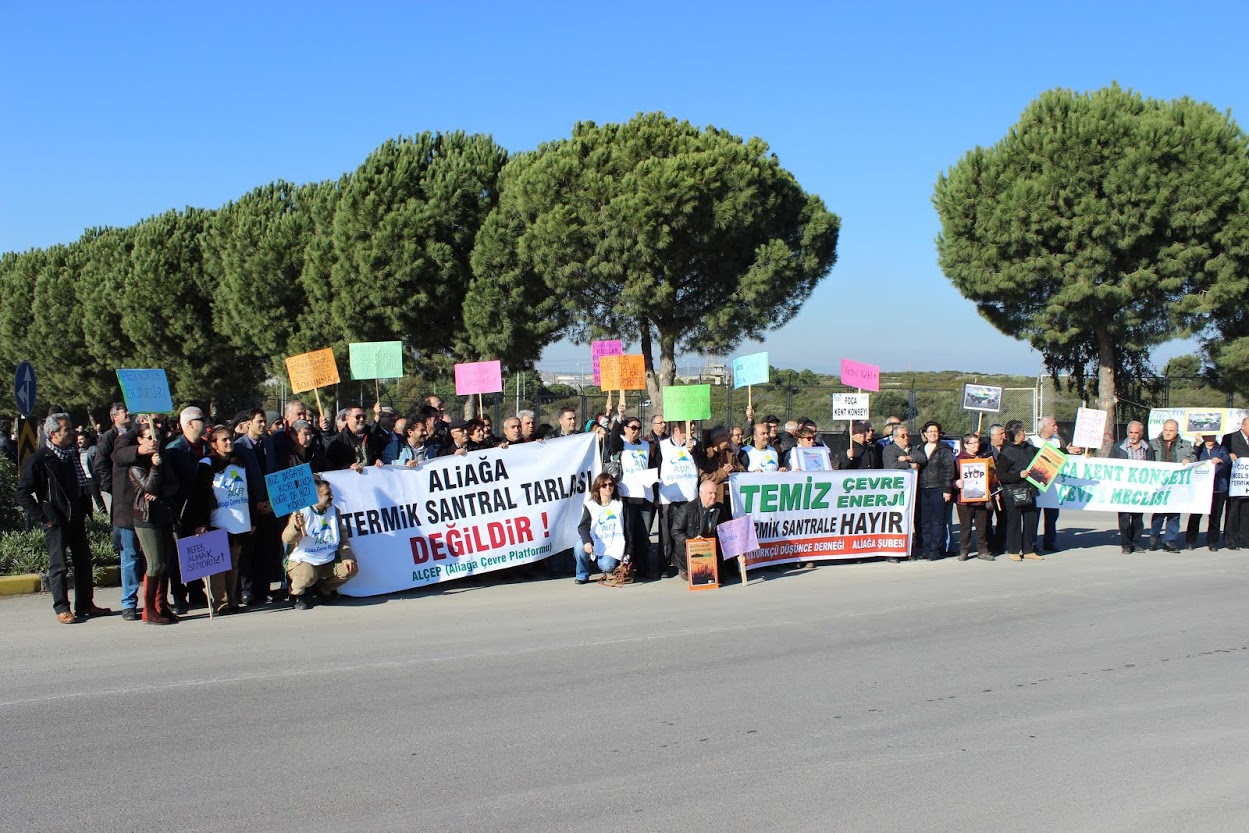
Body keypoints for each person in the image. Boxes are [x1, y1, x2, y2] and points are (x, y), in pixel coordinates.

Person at [16, 413, 111, 624]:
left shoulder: (71, 454)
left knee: (84, 562)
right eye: (67, 429)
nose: (72, 433)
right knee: (59, 566)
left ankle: (85, 604)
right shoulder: (40, 459)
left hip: (75, 517)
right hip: (56, 521)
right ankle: (62, 608)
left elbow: (80, 485)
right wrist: (43, 517)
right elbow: (22, 493)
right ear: (53, 434)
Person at [189, 426, 256, 614]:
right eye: (224, 440)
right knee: (219, 565)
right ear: (213, 444)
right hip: (216, 521)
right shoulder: (206, 464)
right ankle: (221, 601)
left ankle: (233, 599)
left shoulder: (240, 464)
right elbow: (200, 497)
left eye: (230, 439)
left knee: (234, 564)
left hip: (238, 521)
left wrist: (252, 519)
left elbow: (248, 492)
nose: (229, 442)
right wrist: (201, 523)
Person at [128, 422, 182, 624]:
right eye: (149, 437)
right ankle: (148, 610)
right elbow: (149, 487)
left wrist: (159, 493)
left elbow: (173, 486)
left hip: (163, 515)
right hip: (146, 518)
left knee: (165, 564)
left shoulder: (164, 458)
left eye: (156, 437)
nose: (154, 441)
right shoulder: (136, 464)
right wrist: (155, 466)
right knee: (155, 563)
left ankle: (161, 605)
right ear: (140, 441)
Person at [281, 479, 359, 609]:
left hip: (327, 557)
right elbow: (287, 539)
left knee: (350, 569)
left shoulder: (334, 511)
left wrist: (347, 557)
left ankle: (323, 589)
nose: (331, 497)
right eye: (327, 494)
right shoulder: (302, 512)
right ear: (316, 496)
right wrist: (295, 527)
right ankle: (295, 593)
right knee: (307, 576)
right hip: (303, 558)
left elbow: (343, 538)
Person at [608, 417, 660, 579]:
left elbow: (651, 468)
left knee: (643, 535)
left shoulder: (645, 445)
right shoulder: (622, 444)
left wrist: (655, 493)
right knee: (628, 535)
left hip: (645, 496)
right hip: (627, 496)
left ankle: (644, 569)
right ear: (625, 428)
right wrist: (618, 418)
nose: (636, 431)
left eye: (638, 428)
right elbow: (613, 440)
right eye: (633, 427)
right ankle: (626, 567)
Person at [1029, 416, 1081, 552]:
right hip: (1037, 484)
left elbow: (1064, 458)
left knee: (1052, 515)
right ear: (1045, 428)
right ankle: (1031, 543)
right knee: (1034, 516)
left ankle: (1050, 541)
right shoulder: (1032, 441)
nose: (1056, 427)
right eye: (1053, 425)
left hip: (1053, 485)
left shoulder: (1057, 441)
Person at [657, 422, 701, 577]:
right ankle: (664, 565)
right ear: (677, 429)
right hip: (668, 497)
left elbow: (702, 464)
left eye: (694, 425)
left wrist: (694, 451)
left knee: (687, 532)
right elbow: (656, 467)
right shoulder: (662, 446)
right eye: (689, 426)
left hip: (689, 497)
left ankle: (685, 565)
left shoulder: (696, 444)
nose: (693, 428)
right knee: (667, 535)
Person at [996, 420, 1042, 561]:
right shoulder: (1006, 452)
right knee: (1014, 522)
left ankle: (1028, 549)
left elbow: (1044, 454)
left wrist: (1067, 451)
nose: (1025, 433)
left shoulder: (1028, 447)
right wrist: (1018, 475)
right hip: (1012, 492)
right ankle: (1013, 550)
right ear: (1016, 435)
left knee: (1031, 520)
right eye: (1022, 430)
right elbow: (1000, 475)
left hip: (1029, 490)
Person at [1147, 419, 1195, 552]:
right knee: (1159, 513)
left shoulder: (1185, 445)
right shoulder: (1152, 443)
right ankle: (1154, 537)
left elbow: (1194, 459)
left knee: (1174, 514)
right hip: (1159, 483)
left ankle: (1169, 541)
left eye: (1171, 431)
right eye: (1165, 430)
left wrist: (1189, 460)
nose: (1167, 433)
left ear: (1176, 431)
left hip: (1177, 484)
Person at [575, 473, 630, 584]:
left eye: (610, 484)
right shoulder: (590, 505)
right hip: (595, 540)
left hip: (612, 543)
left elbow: (628, 530)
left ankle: (607, 571)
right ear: (598, 487)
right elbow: (583, 527)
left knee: (607, 565)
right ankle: (582, 575)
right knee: (579, 547)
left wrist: (628, 552)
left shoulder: (620, 505)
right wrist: (587, 541)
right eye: (604, 485)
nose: (608, 487)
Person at [672, 479, 730, 581]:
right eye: (710, 493)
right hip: (690, 551)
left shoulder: (720, 508)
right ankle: (685, 569)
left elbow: (727, 529)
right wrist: (691, 542)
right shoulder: (686, 509)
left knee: (721, 578)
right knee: (697, 577)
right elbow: (676, 531)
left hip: (711, 550)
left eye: (715, 493)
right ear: (701, 493)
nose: (714, 496)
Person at [1109, 421, 1153, 553]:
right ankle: (1126, 544)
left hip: (1140, 489)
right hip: (1124, 488)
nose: (1133, 436)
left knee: (1138, 518)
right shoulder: (1118, 447)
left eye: (1136, 433)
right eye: (1130, 433)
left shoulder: (1147, 448)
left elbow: (1154, 466)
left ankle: (1136, 542)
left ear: (1141, 434)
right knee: (1124, 518)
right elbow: (1110, 466)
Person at [915, 421, 954, 561]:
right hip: (923, 489)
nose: (933, 434)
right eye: (930, 431)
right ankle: (926, 549)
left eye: (935, 431)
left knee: (937, 521)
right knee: (925, 521)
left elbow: (950, 470)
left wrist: (947, 489)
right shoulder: (919, 448)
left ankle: (935, 550)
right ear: (925, 433)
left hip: (938, 488)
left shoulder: (944, 449)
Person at [953, 433, 995, 561]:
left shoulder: (983, 459)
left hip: (980, 499)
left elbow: (992, 477)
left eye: (978, 442)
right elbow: (950, 478)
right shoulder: (958, 460)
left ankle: (982, 550)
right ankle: (964, 550)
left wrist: (990, 489)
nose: (977, 445)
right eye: (973, 443)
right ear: (966, 445)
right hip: (964, 500)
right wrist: (956, 483)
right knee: (965, 527)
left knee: (981, 526)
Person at [1187, 433, 1231, 551]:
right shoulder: (1199, 448)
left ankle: (1212, 542)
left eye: (1212, 436)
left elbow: (1227, 458)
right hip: (1200, 488)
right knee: (1196, 515)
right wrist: (1197, 443)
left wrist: (1220, 459)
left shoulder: (1221, 448)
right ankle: (1191, 540)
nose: (1210, 439)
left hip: (1218, 487)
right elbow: (1192, 457)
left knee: (1215, 516)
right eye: (1207, 436)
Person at [325, 406, 386, 471]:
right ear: (347, 418)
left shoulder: (373, 436)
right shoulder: (338, 440)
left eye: (364, 417)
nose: (361, 419)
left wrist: (378, 461)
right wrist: (348, 466)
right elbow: (329, 464)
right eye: (358, 417)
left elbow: (380, 454)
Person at [1222, 416, 1249, 550]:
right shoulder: (1230, 438)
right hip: (1235, 481)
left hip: (1247, 483)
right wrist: (1229, 454)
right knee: (1233, 510)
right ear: (1243, 426)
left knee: (1246, 511)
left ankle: (1245, 539)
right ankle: (1230, 538)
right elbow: (1223, 453)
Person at [698, 425, 741, 504]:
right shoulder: (706, 456)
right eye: (726, 436)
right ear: (718, 439)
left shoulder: (731, 454)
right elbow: (704, 479)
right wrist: (723, 472)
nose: (729, 439)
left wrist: (733, 468)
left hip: (733, 498)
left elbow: (742, 469)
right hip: (716, 499)